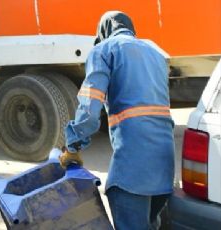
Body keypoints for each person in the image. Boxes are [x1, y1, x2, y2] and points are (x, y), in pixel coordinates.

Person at [59, 11, 175, 229]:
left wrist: (73, 145)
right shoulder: (156, 53)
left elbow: (90, 110)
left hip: (133, 168)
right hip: (164, 165)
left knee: (123, 204)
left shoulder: (104, 50)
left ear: (103, 33)